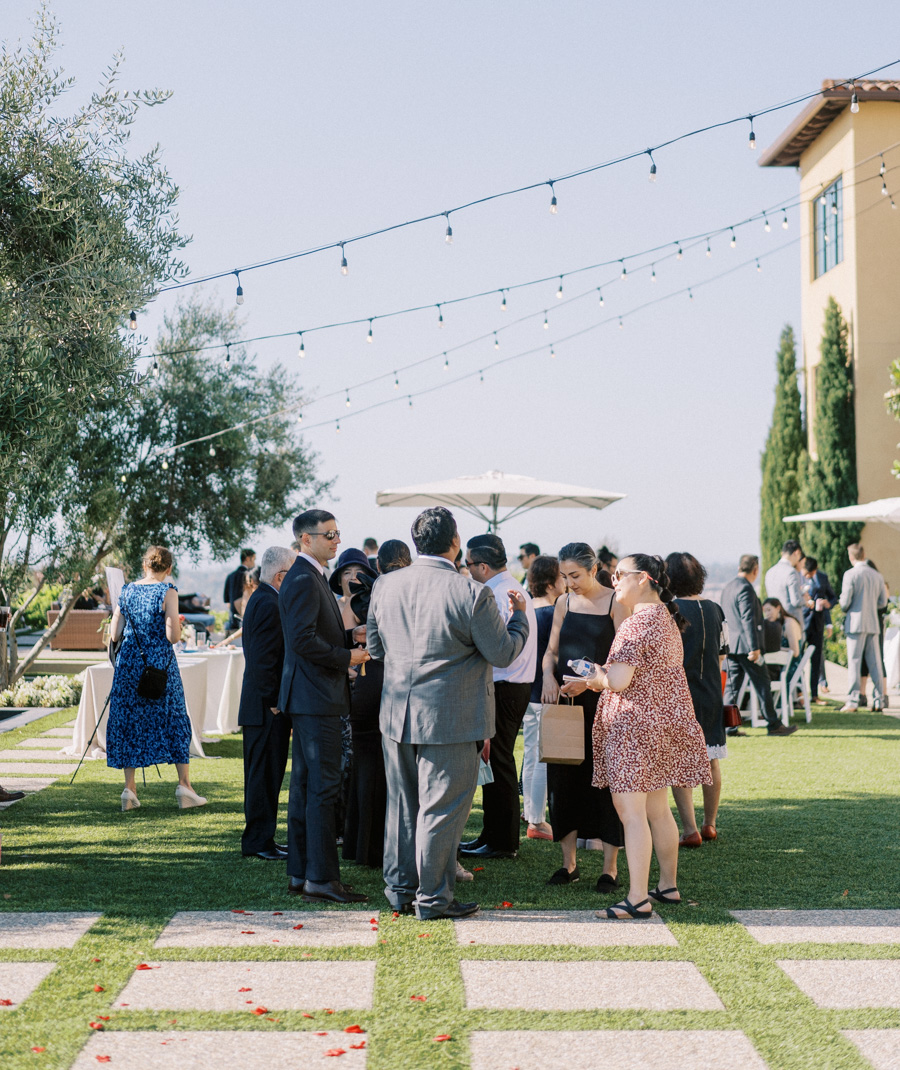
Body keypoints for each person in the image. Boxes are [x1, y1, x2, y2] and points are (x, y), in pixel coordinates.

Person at [366, 506, 529, 920]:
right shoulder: (472, 593)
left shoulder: (385, 584)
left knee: (402, 806)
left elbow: (376, 648)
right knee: (440, 809)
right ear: (455, 543)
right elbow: (503, 652)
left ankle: (401, 889)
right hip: (451, 717)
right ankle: (434, 897)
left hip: (397, 714)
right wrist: (520, 621)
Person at [586, 555, 711, 920]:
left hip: (634, 729)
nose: (613, 580)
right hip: (662, 727)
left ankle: (638, 898)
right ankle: (667, 886)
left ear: (643, 579)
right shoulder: (665, 619)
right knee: (657, 810)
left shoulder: (636, 623)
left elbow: (620, 681)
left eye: (619, 575)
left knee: (632, 814)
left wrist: (596, 679)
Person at [279, 510, 370, 903]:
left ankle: (302, 872)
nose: (335, 540)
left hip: (312, 696)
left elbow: (316, 632)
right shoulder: (302, 577)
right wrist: (346, 656)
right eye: (328, 534)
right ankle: (321, 878)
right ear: (305, 539)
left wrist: (351, 635)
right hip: (317, 697)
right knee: (322, 789)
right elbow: (302, 641)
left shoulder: (310, 574)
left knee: (305, 788)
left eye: (337, 533)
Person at [542, 543, 625, 889]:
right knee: (562, 784)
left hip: (604, 708)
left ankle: (610, 869)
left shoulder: (615, 603)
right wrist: (548, 675)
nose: (569, 583)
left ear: (593, 570)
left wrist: (590, 684)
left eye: (574, 575)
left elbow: (623, 662)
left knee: (605, 784)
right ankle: (569, 865)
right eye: (564, 576)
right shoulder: (563, 603)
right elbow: (551, 652)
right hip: (566, 706)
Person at [106, 546, 206, 811]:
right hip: (159, 665)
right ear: (169, 568)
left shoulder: (126, 591)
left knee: (129, 720)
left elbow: (115, 634)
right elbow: (173, 636)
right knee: (173, 718)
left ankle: (129, 789)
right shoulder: (168, 591)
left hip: (129, 666)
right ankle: (184, 786)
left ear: (144, 565)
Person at [459, 533, 537, 861]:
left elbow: (496, 646)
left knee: (499, 759)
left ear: (483, 566)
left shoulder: (500, 592)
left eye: (468, 565)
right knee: (495, 758)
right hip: (511, 683)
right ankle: (492, 835)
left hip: (506, 685)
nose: (466, 571)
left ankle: (503, 841)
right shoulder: (507, 587)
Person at [343, 539, 412, 869]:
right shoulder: (412, 593)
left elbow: (354, 630)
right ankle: (389, 845)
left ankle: (361, 845)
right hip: (396, 678)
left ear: (379, 565)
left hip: (370, 678)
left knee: (366, 760)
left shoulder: (373, 593)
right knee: (393, 765)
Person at [666, 552, 727, 848]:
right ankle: (710, 824)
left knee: (680, 762)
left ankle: (689, 828)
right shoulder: (715, 609)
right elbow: (722, 654)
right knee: (712, 758)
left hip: (681, 692)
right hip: (712, 690)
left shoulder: (670, 609)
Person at [238, 546, 295, 861]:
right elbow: (263, 661)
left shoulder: (262, 599)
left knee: (268, 775)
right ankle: (258, 841)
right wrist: (275, 701)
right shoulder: (269, 603)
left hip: (261, 706)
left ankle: (265, 838)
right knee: (263, 776)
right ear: (281, 575)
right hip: (264, 708)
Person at [330, 548, 379, 834]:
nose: (351, 578)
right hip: (342, 688)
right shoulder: (334, 607)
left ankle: (356, 822)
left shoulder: (375, 603)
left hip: (367, 687)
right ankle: (339, 824)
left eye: (357, 572)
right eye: (346, 572)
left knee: (359, 757)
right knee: (341, 759)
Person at [721, 555, 797, 737]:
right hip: (747, 647)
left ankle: (727, 727)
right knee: (763, 684)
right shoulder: (746, 589)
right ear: (755, 569)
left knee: (732, 689)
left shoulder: (728, 588)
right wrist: (754, 647)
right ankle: (774, 725)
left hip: (731, 645)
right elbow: (748, 619)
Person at [522, 556, 566, 841]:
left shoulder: (525, 612)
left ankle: (531, 813)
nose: (566, 582)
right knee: (543, 760)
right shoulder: (553, 614)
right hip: (547, 692)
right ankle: (537, 821)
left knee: (530, 755)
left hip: (526, 691)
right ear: (551, 583)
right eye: (563, 578)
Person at [839, 544, 888, 712]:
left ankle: (853, 700)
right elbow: (883, 602)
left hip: (855, 623)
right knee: (875, 663)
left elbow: (845, 602)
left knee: (854, 662)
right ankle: (879, 699)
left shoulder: (850, 574)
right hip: (873, 623)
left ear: (851, 557)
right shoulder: (877, 575)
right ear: (864, 554)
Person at [801, 556, 836, 703]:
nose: (807, 575)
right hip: (802, 622)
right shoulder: (798, 577)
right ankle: (798, 694)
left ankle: (814, 695)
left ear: (814, 570)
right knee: (798, 659)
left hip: (817, 623)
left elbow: (833, 597)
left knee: (816, 660)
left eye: (810, 573)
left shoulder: (822, 577)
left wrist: (828, 603)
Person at [859, 561, 889, 709]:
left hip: (871, 625)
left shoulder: (878, 583)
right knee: (875, 660)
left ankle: (876, 695)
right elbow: (884, 603)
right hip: (875, 624)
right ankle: (874, 695)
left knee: (876, 660)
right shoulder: (879, 582)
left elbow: (884, 603)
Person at [764, 540, 809, 624]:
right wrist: (805, 600)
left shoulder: (769, 572)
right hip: (792, 621)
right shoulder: (791, 572)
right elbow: (796, 601)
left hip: (775, 621)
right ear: (797, 552)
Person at [224, 549, 256, 635]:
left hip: (232, 621)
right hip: (246, 622)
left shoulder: (230, 576)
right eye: (254, 559)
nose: (255, 563)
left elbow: (227, 602)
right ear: (248, 559)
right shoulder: (249, 576)